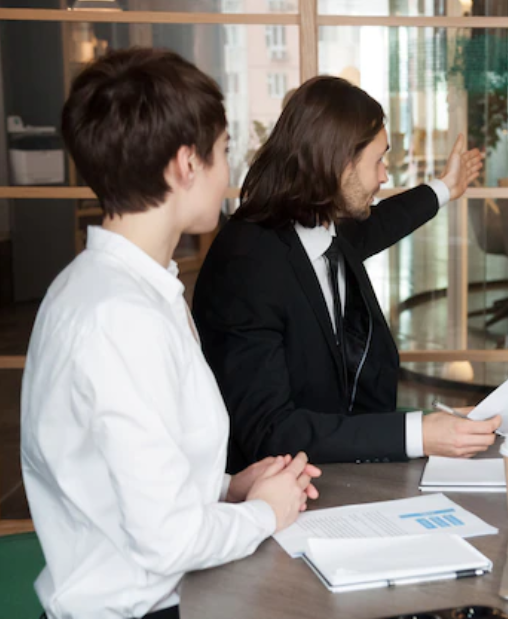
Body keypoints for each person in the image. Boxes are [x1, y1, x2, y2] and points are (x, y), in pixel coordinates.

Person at [20, 48, 321, 619]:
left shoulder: (124, 286)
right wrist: (265, 512)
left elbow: (132, 477)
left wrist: (231, 487)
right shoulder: (118, 316)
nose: (231, 173)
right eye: (225, 152)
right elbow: (165, 539)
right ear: (187, 164)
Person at [192, 76, 500, 472]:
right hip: (276, 491)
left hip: (345, 471)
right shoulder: (248, 265)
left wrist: (445, 187)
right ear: (339, 164)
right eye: (379, 160)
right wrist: (418, 434)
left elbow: (383, 222)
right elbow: (269, 431)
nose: (385, 176)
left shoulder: (323, 230)